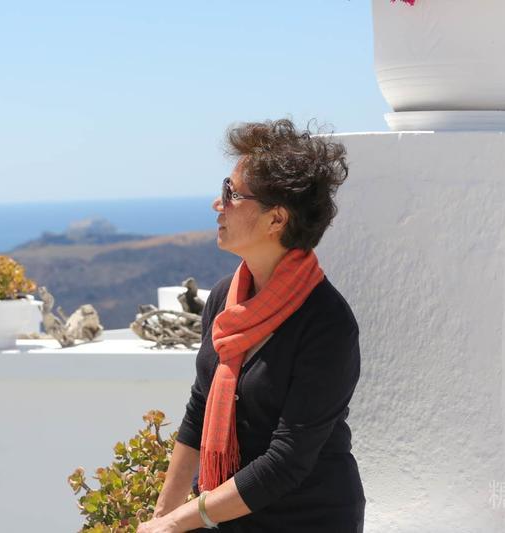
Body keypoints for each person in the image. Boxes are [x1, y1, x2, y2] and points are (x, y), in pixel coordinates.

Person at [137, 119, 365, 532]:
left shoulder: (327, 323)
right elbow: (200, 410)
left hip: (307, 521)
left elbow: (286, 460)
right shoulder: (225, 299)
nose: (218, 204)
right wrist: (161, 518)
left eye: (232, 193)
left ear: (276, 219)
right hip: (229, 518)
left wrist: (179, 522)